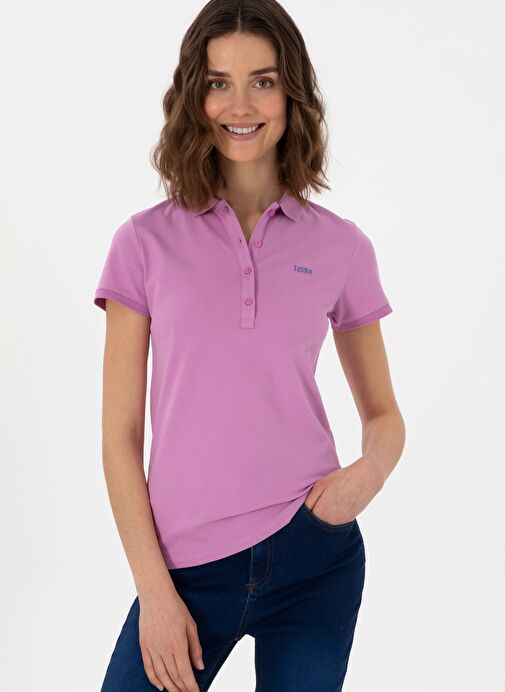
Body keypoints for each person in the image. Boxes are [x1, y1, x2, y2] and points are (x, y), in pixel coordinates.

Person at [94, 1, 405, 690]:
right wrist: (154, 592)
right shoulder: (142, 243)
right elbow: (120, 437)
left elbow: (384, 415)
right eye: (218, 83)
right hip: (185, 570)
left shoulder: (342, 246)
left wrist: (361, 481)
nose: (240, 104)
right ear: (193, 96)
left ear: (291, 95)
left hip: (314, 556)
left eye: (263, 81)